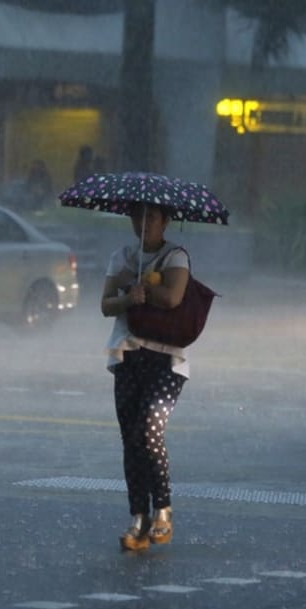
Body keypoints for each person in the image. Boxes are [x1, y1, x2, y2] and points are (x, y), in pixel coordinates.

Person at [99, 202, 190, 552]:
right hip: (128, 354)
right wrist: (127, 298)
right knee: (130, 439)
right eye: (138, 217)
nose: (144, 223)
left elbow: (172, 298)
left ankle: (162, 508)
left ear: (166, 221)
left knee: (150, 430)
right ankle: (138, 518)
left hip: (166, 358)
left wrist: (139, 287)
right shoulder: (120, 256)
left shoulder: (175, 257)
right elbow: (106, 304)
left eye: (152, 217)